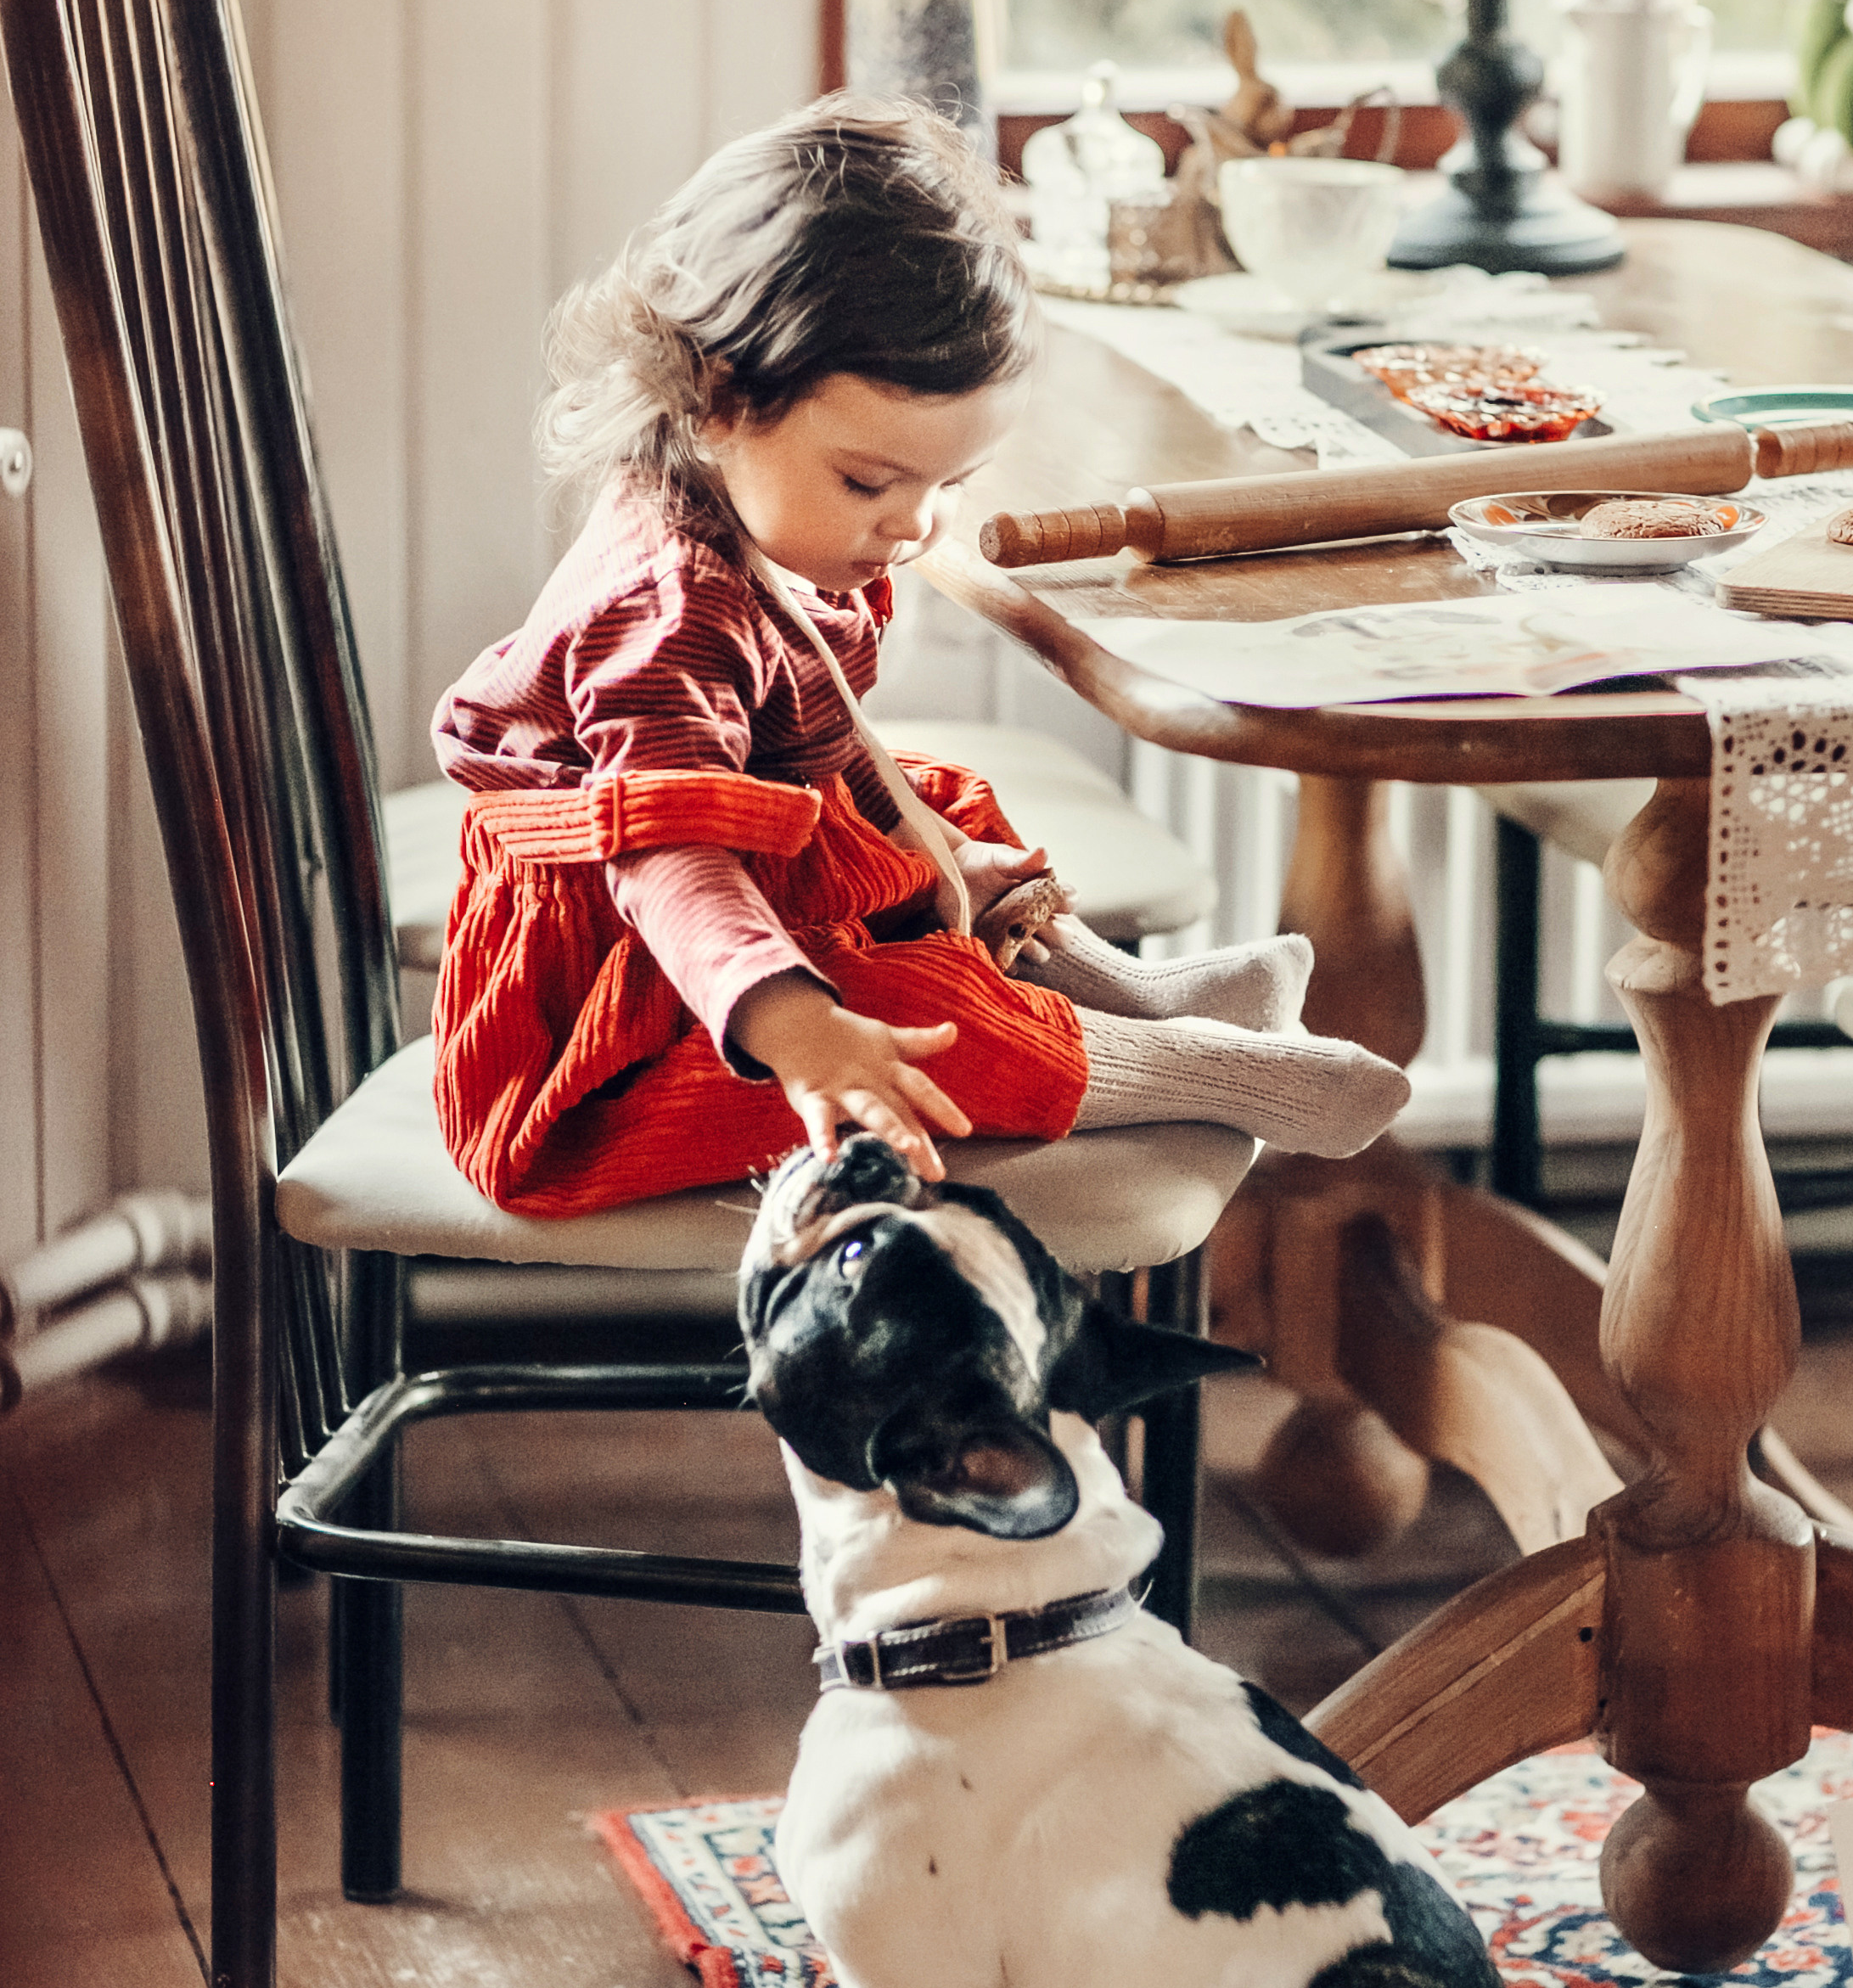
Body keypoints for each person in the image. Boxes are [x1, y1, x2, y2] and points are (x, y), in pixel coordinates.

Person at [430, 95, 1410, 1218]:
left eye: (943, 485)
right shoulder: (662, 616)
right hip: (607, 1027)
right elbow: (673, 866)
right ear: (715, 398)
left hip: (718, 914)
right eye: (871, 481)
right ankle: (1201, 1072)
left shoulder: (750, 511)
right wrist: (798, 1029)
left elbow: (821, 748)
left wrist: (924, 849)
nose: (912, 527)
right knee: (915, 1017)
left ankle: (1129, 993)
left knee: (938, 799)